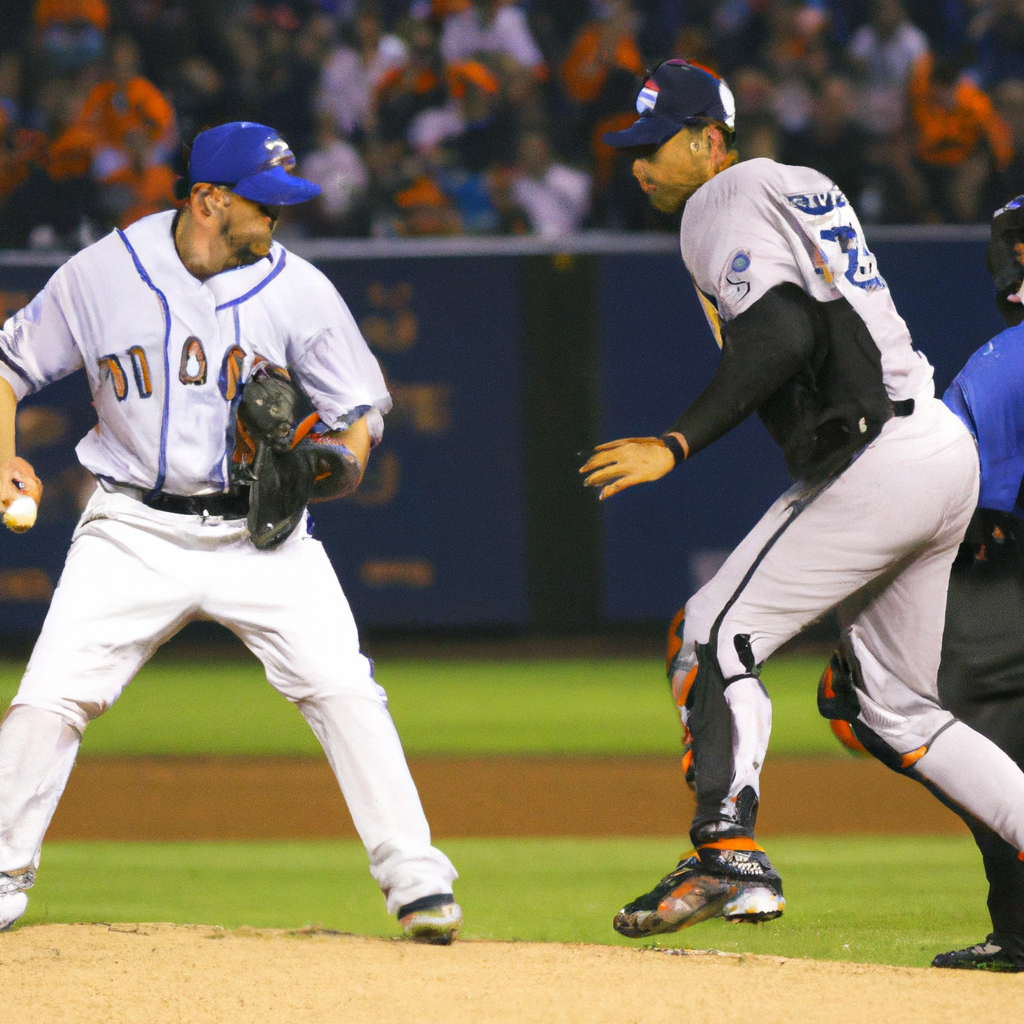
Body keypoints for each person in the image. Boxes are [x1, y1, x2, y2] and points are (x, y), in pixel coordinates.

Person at [581, 59, 1024, 938]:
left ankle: (726, 848)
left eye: (656, 144)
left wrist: (676, 441)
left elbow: (779, 333)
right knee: (900, 709)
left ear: (711, 140)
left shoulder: (718, 200)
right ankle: (722, 846)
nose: (638, 165)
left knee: (709, 634)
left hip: (881, 459)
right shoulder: (806, 182)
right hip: (936, 444)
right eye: (631, 147)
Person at [0, 120, 461, 944]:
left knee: (345, 690)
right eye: (264, 204)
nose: (277, 220)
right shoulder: (105, 272)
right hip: (132, 528)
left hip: (262, 533)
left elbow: (360, 412)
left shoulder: (300, 289)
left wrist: (337, 466)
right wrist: (4, 457)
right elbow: (7, 368)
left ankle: (419, 883)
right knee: (47, 701)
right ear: (209, 199)